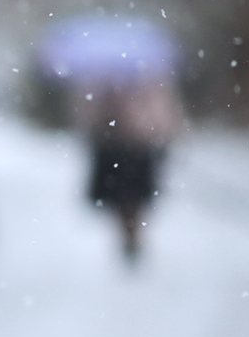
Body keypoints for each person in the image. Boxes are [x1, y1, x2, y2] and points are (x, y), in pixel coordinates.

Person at [74, 74, 185, 260]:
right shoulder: (106, 80)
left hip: (133, 146)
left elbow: (160, 112)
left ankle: (130, 233)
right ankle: (128, 233)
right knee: (126, 197)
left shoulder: (146, 80)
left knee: (130, 197)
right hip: (124, 146)